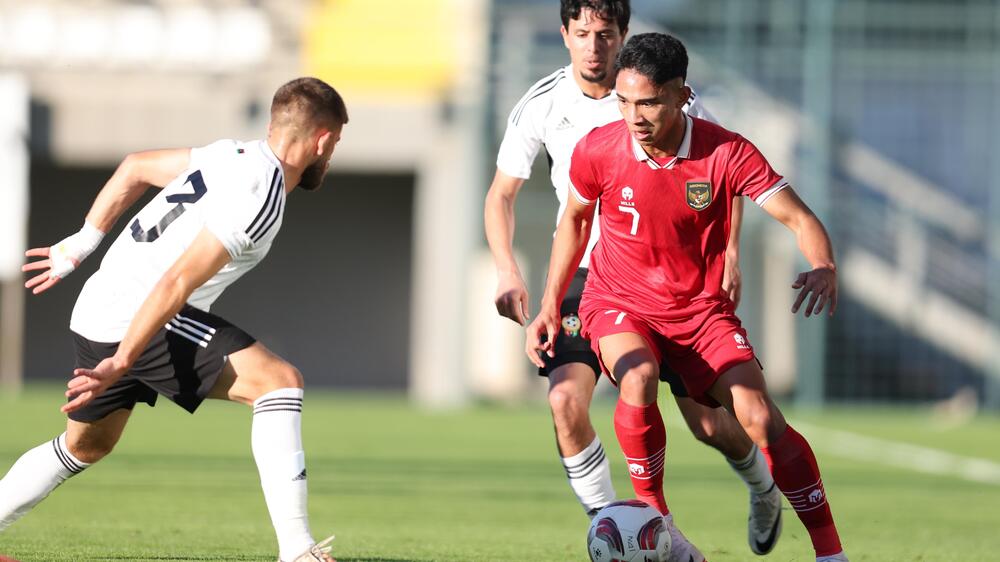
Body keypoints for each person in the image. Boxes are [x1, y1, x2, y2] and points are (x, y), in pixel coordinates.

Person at [526, 32, 849, 562]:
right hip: (618, 299)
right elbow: (575, 223)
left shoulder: (727, 150)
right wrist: (548, 303)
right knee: (637, 375)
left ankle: (829, 554)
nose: (634, 115)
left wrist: (823, 264)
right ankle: (661, 527)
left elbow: (800, 217)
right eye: (624, 101)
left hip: (700, 312)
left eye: (648, 101)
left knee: (759, 420)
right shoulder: (599, 148)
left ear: (682, 94)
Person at [0, 77, 347, 562]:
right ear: (323, 141)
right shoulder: (263, 194)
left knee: (84, 446)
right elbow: (176, 282)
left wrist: (81, 243)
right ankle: (298, 550)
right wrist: (123, 360)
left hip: (100, 306)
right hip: (136, 315)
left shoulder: (230, 154)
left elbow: (134, 168)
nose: (330, 157)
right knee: (279, 384)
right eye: (334, 145)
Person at [484, 1, 781, 557]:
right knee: (566, 401)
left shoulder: (669, 96)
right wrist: (507, 268)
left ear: (623, 35)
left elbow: (727, 171)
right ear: (565, 35)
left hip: (670, 279)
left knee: (709, 426)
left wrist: (731, 252)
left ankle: (763, 489)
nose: (594, 46)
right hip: (585, 275)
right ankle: (626, 530)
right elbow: (501, 193)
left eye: (605, 34)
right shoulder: (542, 104)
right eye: (582, 34)